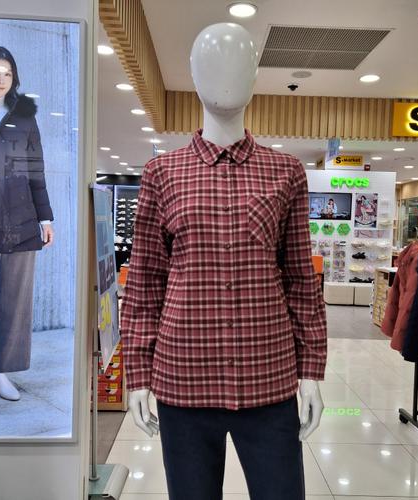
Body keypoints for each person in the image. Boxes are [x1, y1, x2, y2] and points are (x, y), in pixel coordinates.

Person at [121, 24, 327, 500]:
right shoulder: (161, 173)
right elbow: (146, 282)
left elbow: (301, 279)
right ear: (193, 75)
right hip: (184, 381)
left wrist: (312, 370)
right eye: (211, 64)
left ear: (255, 76)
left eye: (239, 65)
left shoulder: (286, 172)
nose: (225, 77)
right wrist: (138, 372)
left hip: (268, 379)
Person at [0, 46, 54, 428]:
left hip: (21, 218)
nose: (1, 79)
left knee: (16, 300)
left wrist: (45, 217)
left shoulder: (24, 117)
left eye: (7, 73)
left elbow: (36, 170)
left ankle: (0, 371)